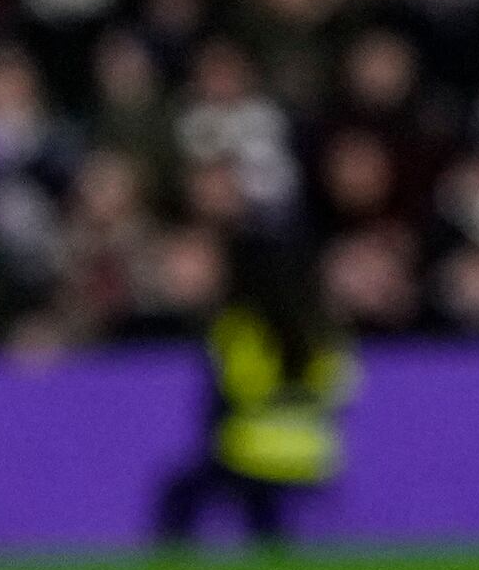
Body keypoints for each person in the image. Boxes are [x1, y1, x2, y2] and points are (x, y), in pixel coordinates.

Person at [153, 233, 357, 550]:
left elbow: (232, 391)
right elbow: (344, 386)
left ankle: (173, 569)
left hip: (249, 452)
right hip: (313, 453)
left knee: (181, 492)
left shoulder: (238, 326)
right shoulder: (320, 329)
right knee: (264, 517)